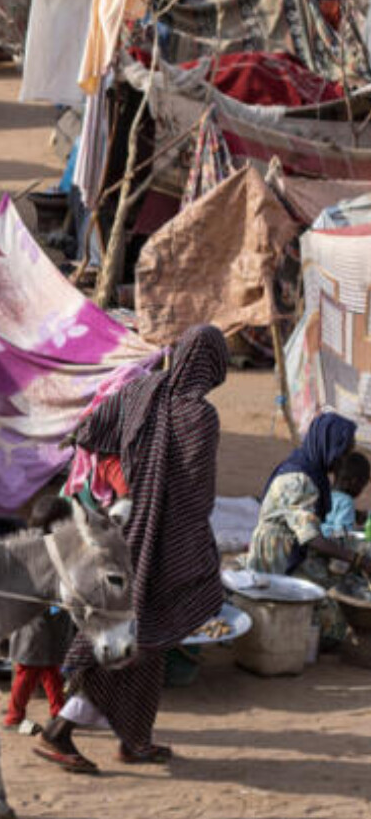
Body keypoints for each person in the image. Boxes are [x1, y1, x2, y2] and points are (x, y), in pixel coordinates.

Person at [35, 324, 232, 774]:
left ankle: (135, 738)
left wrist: (125, 482)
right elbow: (199, 493)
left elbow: (89, 429)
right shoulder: (198, 415)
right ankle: (59, 731)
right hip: (162, 539)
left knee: (150, 638)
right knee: (133, 636)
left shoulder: (142, 390)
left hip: (121, 524)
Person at [242, 412, 371, 584]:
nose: (344, 461)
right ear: (328, 446)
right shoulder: (297, 479)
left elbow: (304, 507)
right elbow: (310, 537)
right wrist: (357, 560)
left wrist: (356, 515)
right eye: (343, 454)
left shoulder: (311, 469)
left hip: (291, 549)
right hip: (275, 559)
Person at [4, 498, 74, 735]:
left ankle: (59, 713)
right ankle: (14, 718)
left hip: (53, 620)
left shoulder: (60, 547)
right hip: (34, 621)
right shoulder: (35, 549)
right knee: (28, 669)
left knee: (51, 668)